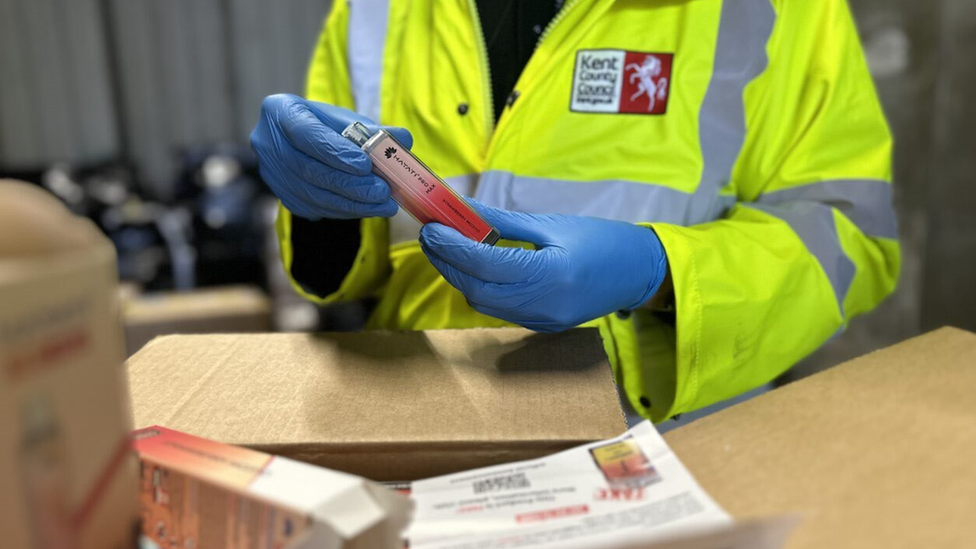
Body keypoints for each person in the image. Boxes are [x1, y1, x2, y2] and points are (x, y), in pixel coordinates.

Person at [250, 0, 898, 422]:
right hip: (421, 427)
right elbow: (350, 264)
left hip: (668, 449)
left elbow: (851, 232)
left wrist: (664, 269)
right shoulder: (375, 12)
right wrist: (318, 207)